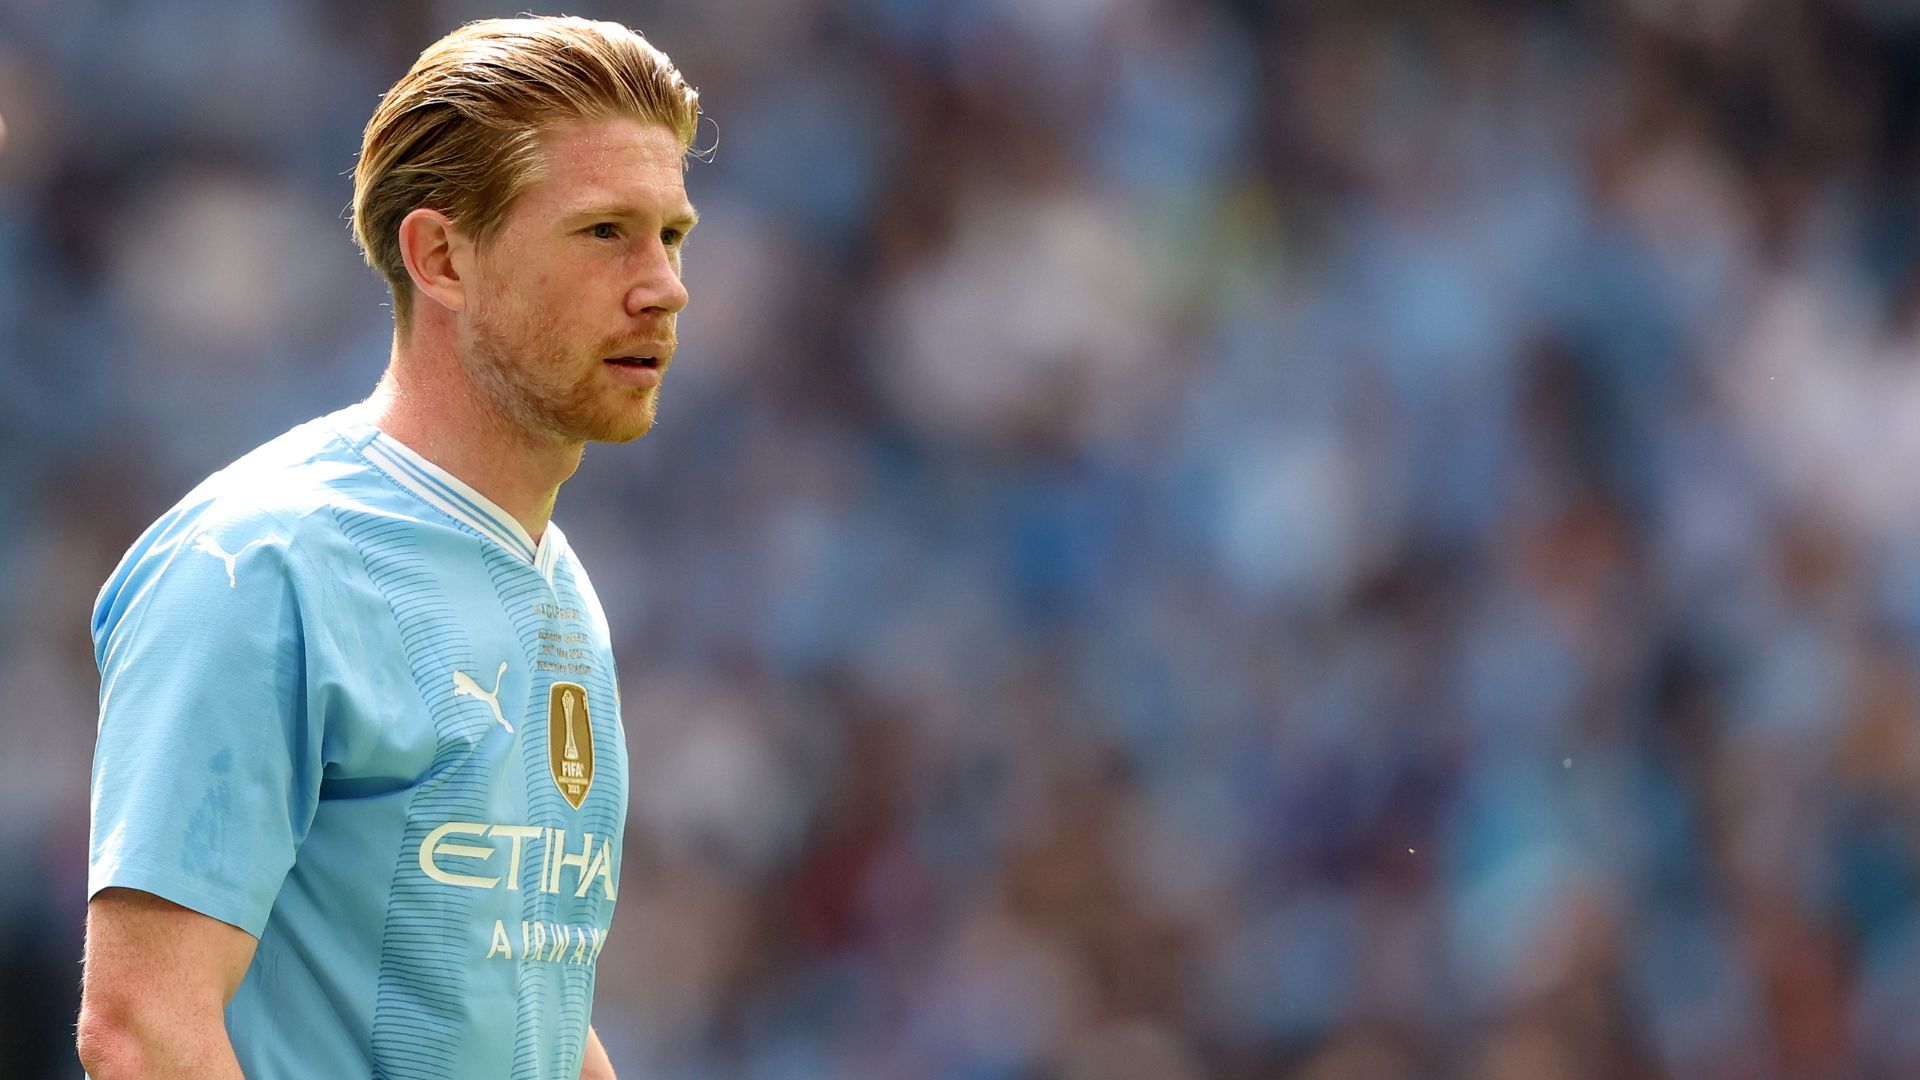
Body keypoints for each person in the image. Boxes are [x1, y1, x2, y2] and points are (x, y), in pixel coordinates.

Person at [76, 16, 701, 1079]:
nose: (665, 285)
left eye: (672, 235)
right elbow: (142, 1031)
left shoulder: (556, 583)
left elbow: (528, 1003)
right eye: (605, 232)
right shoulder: (260, 565)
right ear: (441, 257)